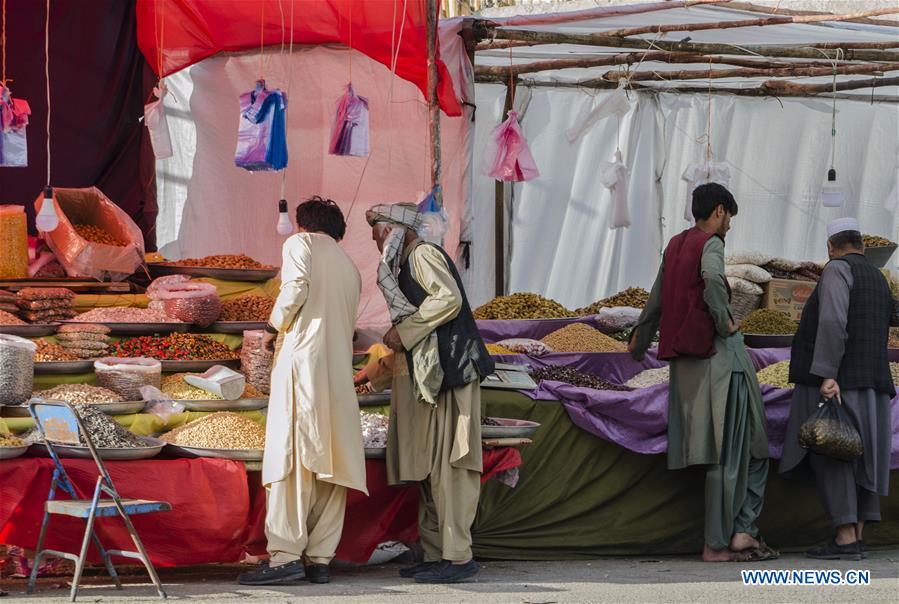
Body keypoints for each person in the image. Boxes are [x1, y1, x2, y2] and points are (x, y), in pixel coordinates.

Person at [629, 183, 776, 563]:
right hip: (721, 359)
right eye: (729, 218)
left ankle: (739, 534)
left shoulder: (675, 245)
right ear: (721, 212)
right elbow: (712, 280)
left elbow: (656, 297)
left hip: (688, 364)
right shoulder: (711, 244)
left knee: (720, 452)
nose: (729, 227)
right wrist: (726, 319)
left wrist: (640, 341)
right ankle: (723, 540)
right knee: (744, 450)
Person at [238, 197, 366, 586]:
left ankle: (285, 556)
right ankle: (321, 558)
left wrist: (273, 328)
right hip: (337, 374)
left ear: (302, 224)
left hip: (302, 365)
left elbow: (294, 288)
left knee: (291, 459)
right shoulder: (349, 266)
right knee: (332, 460)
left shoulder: (301, 244)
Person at [364, 202, 494, 584]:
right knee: (431, 469)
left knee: (451, 465)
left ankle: (457, 557)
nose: (373, 240)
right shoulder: (408, 263)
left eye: (376, 231)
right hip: (433, 378)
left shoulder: (422, 254)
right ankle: (438, 553)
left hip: (452, 374)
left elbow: (447, 299)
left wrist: (403, 333)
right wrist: (377, 373)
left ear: (391, 231)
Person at [780, 218, 895, 561]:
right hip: (874, 382)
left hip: (841, 382)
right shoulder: (879, 278)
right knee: (862, 457)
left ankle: (845, 538)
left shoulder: (835, 270)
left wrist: (828, 374)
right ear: (862, 244)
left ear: (831, 247)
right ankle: (857, 534)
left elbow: (832, 320)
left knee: (834, 453)